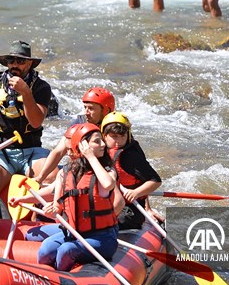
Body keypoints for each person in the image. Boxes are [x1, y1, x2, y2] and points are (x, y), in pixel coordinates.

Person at [12, 123, 120, 272]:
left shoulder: (108, 171)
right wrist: (50, 209)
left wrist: (90, 156)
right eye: (97, 141)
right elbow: (57, 203)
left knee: (66, 250)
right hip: (73, 231)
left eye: (101, 140)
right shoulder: (66, 172)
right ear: (81, 146)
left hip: (102, 238)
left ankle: (62, 282)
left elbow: (108, 184)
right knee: (46, 249)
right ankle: (44, 279)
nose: (103, 144)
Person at [0, 40, 53, 205]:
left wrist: (25, 92)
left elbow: (36, 122)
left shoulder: (41, 88)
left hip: (32, 151)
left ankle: (43, 220)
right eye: (11, 60)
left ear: (29, 63)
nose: (15, 64)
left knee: (52, 177)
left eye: (20, 61)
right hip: (1, 152)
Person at [34, 87, 116, 185]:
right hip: (83, 169)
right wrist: (40, 178)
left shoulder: (116, 129)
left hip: (106, 174)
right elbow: (59, 152)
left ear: (106, 110)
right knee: (51, 177)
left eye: (91, 108)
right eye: (85, 107)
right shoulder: (78, 123)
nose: (86, 112)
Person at [101, 112, 162, 230]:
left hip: (130, 207)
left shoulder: (130, 156)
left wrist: (136, 192)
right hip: (109, 202)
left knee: (122, 219)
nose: (118, 141)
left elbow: (155, 181)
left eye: (122, 136)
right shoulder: (99, 150)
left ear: (128, 135)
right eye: (114, 136)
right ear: (104, 136)